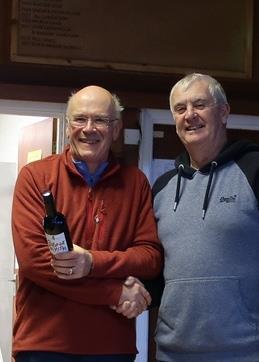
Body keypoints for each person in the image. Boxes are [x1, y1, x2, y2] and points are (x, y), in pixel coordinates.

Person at [12, 85, 163, 362]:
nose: (89, 128)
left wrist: (92, 262)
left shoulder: (136, 183)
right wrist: (114, 292)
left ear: (116, 129)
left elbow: (150, 257)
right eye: (80, 119)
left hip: (112, 347)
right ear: (68, 127)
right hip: (45, 346)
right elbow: (35, 262)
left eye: (101, 120)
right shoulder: (35, 177)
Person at [151, 73, 259, 361]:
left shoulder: (254, 169)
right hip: (173, 352)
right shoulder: (162, 188)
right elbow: (157, 268)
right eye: (180, 108)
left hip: (245, 351)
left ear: (223, 113)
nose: (190, 115)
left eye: (199, 104)